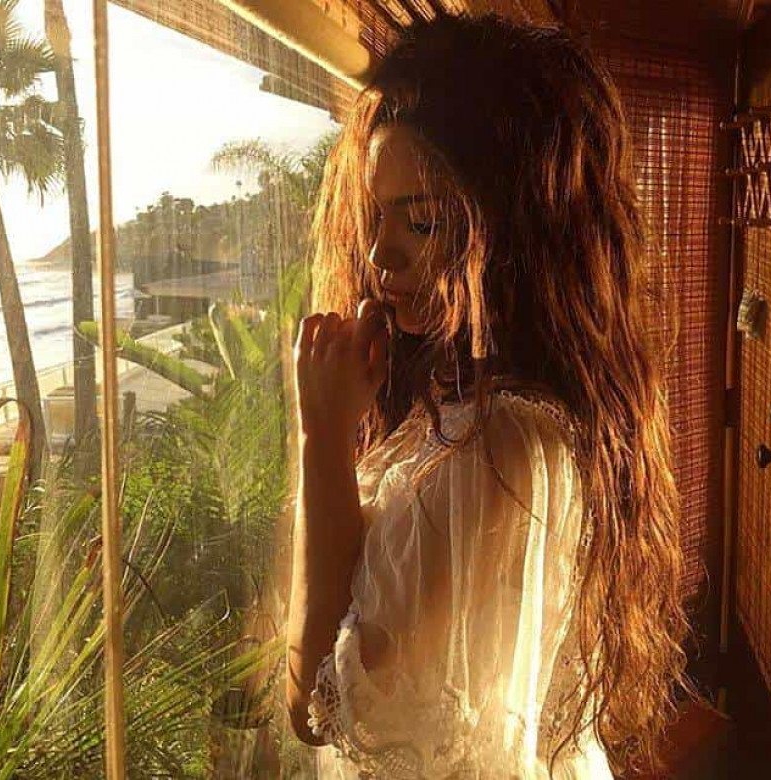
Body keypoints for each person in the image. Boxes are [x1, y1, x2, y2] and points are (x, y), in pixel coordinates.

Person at [285, 10, 699, 780]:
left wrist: (322, 436)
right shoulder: (476, 417)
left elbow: (318, 708)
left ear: (516, 234)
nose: (379, 254)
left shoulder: (505, 449)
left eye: (422, 222)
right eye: (377, 216)